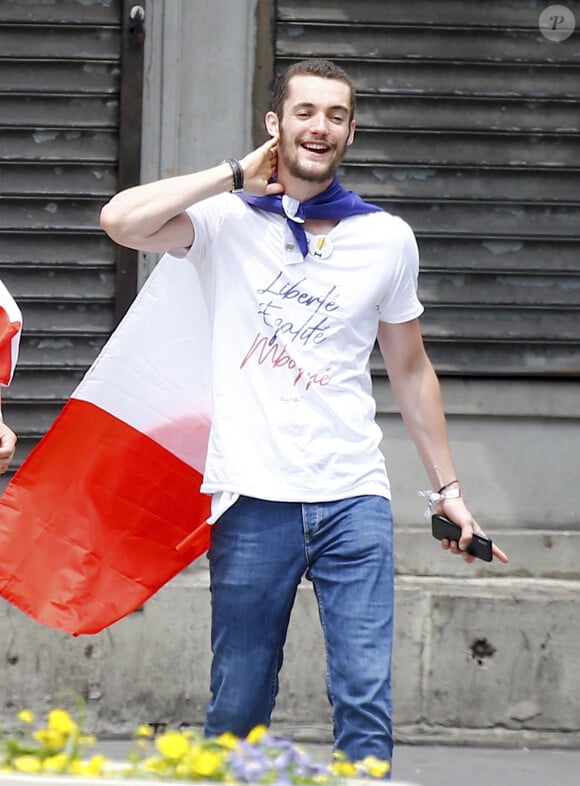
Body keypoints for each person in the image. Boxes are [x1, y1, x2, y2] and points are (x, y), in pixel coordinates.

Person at [100, 58, 508, 770]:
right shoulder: (225, 223)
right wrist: (235, 173)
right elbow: (121, 222)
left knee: (364, 701)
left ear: (351, 132)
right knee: (238, 704)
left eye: (336, 115)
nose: (320, 127)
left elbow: (410, 370)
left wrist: (450, 492)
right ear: (275, 124)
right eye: (305, 112)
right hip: (254, 497)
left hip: (353, 494)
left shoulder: (386, 238)